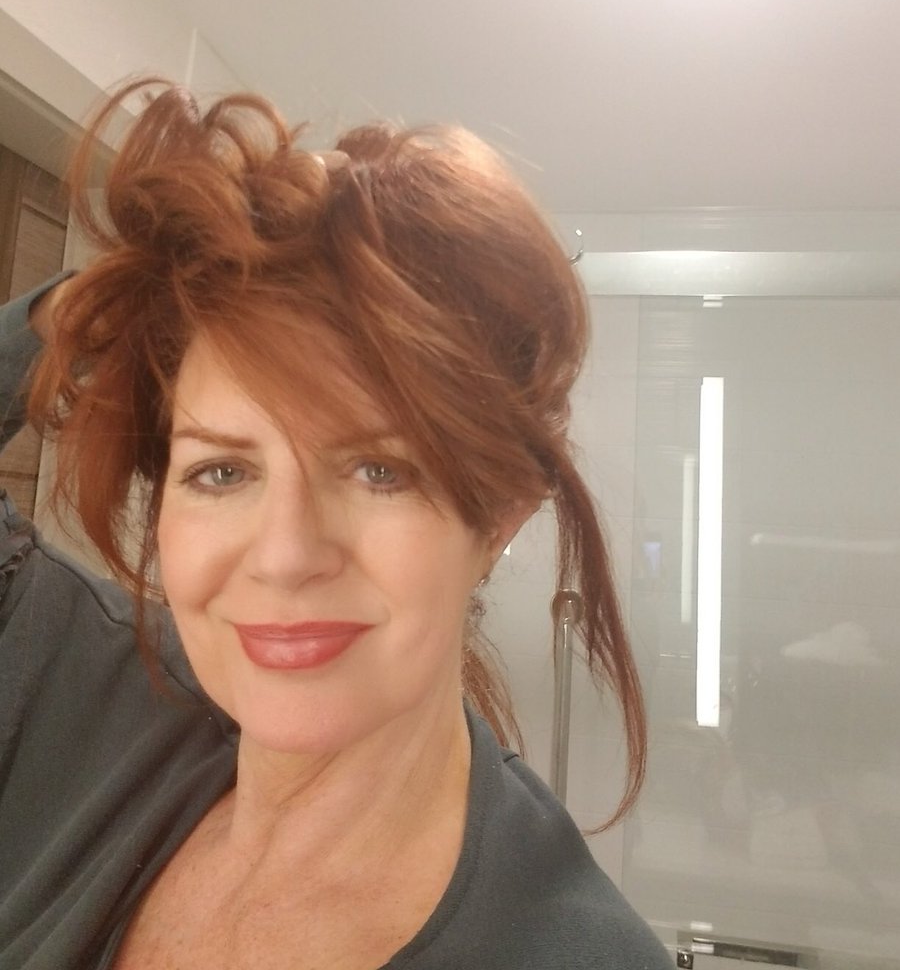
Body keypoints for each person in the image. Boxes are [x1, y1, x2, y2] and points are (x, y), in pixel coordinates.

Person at [0, 79, 671, 969]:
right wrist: (102, 304)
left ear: (498, 517)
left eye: (379, 470)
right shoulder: (74, 696)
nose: (285, 555)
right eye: (222, 471)